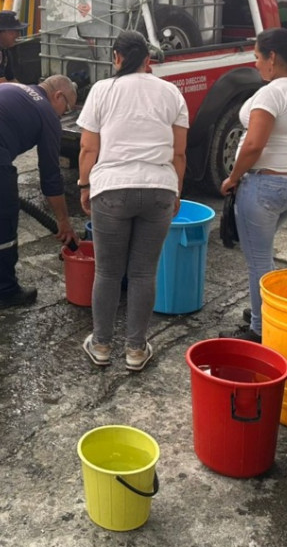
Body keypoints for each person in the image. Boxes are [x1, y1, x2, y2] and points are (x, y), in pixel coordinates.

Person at [77, 31, 188, 371]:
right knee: (143, 273)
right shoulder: (171, 92)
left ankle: (101, 345)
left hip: (111, 188)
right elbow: (179, 152)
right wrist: (176, 191)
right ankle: (136, 350)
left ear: (117, 58)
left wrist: (84, 185)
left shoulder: (102, 90)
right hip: (159, 188)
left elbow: (88, 148)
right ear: (148, 61)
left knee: (108, 273)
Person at [218, 28, 287, 343]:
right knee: (263, 254)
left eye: (258, 56)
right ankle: (265, 310)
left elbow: (253, 146)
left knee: (259, 262)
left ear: (272, 57)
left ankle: (261, 330)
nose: (255, 62)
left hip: (265, 188)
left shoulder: (272, 93)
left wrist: (233, 178)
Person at [0, 76, 80, 308]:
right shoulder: (46, 113)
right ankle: (4, 291)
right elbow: (50, 175)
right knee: (3, 217)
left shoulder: (16, 87)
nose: (64, 114)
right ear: (58, 96)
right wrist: (63, 221)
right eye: (67, 107)